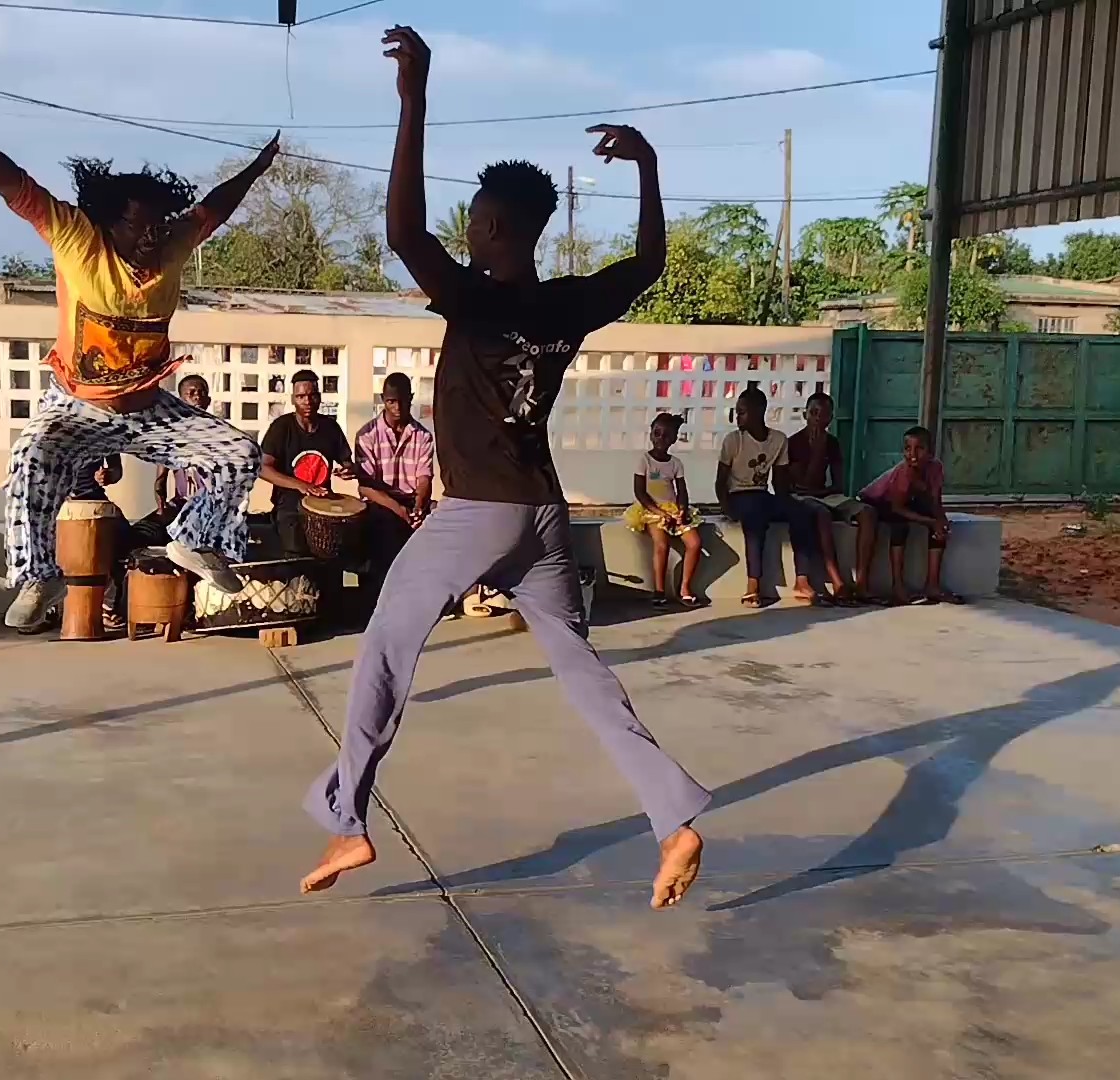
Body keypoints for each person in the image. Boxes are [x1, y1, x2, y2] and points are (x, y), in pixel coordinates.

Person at [300, 26, 709, 911]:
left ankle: (348, 821)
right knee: (578, 668)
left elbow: (404, 228)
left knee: (384, 648)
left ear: (489, 229)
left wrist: (413, 100)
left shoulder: (478, 297)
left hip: (478, 510)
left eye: (476, 219)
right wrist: (644, 168)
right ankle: (672, 814)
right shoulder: (566, 303)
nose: (468, 228)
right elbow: (648, 263)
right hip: (544, 517)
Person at [0, 65, 271, 631]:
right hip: (77, 402)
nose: (152, 239)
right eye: (140, 230)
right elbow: (9, 181)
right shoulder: (77, 238)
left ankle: (194, 541)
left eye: (158, 228)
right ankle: (36, 576)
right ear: (107, 225)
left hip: (148, 407)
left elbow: (217, 205)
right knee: (30, 460)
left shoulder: (171, 244)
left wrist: (259, 167)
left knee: (237, 453)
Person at [715, 387, 827, 609]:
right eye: (737, 412)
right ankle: (753, 585)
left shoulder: (778, 440)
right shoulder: (733, 440)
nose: (738, 417)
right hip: (739, 496)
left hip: (762, 494)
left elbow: (779, 481)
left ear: (759, 412)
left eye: (742, 412)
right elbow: (721, 481)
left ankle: (802, 580)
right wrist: (726, 508)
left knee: (801, 513)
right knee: (755, 520)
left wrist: (787, 504)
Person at [783, 391, 877, 604]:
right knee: (822, 515)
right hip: (802, 498)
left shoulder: (832, 443)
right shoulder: (794, 443)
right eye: (814, 413)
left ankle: (862, 581)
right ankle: (837, 582)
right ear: (805, 414)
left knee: (868, 513)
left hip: (826, 494)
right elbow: (801, 485)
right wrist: (816, 453)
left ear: (830, 419)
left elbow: (838, 483)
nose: (818, 419)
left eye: (824, 415)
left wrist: (824, 490)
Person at [350, 371, 434, 598]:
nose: (397, 407)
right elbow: (365, 486)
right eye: (391, 401)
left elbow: (424, 477)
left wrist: (418, 506)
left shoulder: (423, 436)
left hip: (410, 499)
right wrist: (399, 511)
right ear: (383, 400)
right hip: (380, 501)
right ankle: (379, 598)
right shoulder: (367, 435)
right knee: (383, 525)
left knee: (442, 521)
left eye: (403, 401)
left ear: (411, 398)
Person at [861, 425, 963, 605]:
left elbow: (935, 500)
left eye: (919, 448)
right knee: (900, 525)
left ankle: (932, 584)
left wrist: (940, 521)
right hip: (879, 502)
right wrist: (931, 521)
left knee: (938, 527)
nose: (913, 454)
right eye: (908, 449)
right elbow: (897, 507)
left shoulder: (936, 468)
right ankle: (898, 587)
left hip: (909, 501)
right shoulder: (904, 472)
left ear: (930, 451)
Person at [260, 369, 353, 558]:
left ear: (319, 397)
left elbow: (348, 462)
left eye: (311, 396)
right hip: (289, 509)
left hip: (323, 509)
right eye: (301, 396)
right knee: (297, 562)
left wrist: (348, 470)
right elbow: (263, 468)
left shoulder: (330, 428)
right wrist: (302, 485)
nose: (307, 401)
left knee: (331, 562)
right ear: (293, 399)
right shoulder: (281, 427)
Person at [624, 412, 704, 607]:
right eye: (657, 433)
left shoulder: (675, 463)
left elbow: (682, 491)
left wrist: (682, 510)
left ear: (674, 438)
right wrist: (660, 513)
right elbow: (640, 492)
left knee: (694, 543)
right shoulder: (644, 461)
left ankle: (685, 588)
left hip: (673, 509)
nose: (661, 438)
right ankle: (659, 590)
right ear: (651, 434)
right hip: (651, 510)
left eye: (666, 435)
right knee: (662, 544)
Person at [143, 373, 214, 544]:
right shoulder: (172, 437)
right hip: (182, 504)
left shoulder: (218, 434)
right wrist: (162, 509)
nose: (197, 396)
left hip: (211, 504)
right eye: (191, 393)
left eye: (202, 392)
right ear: (181, 400)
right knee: (144, 533)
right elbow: (161, 479)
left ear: (209, 400)